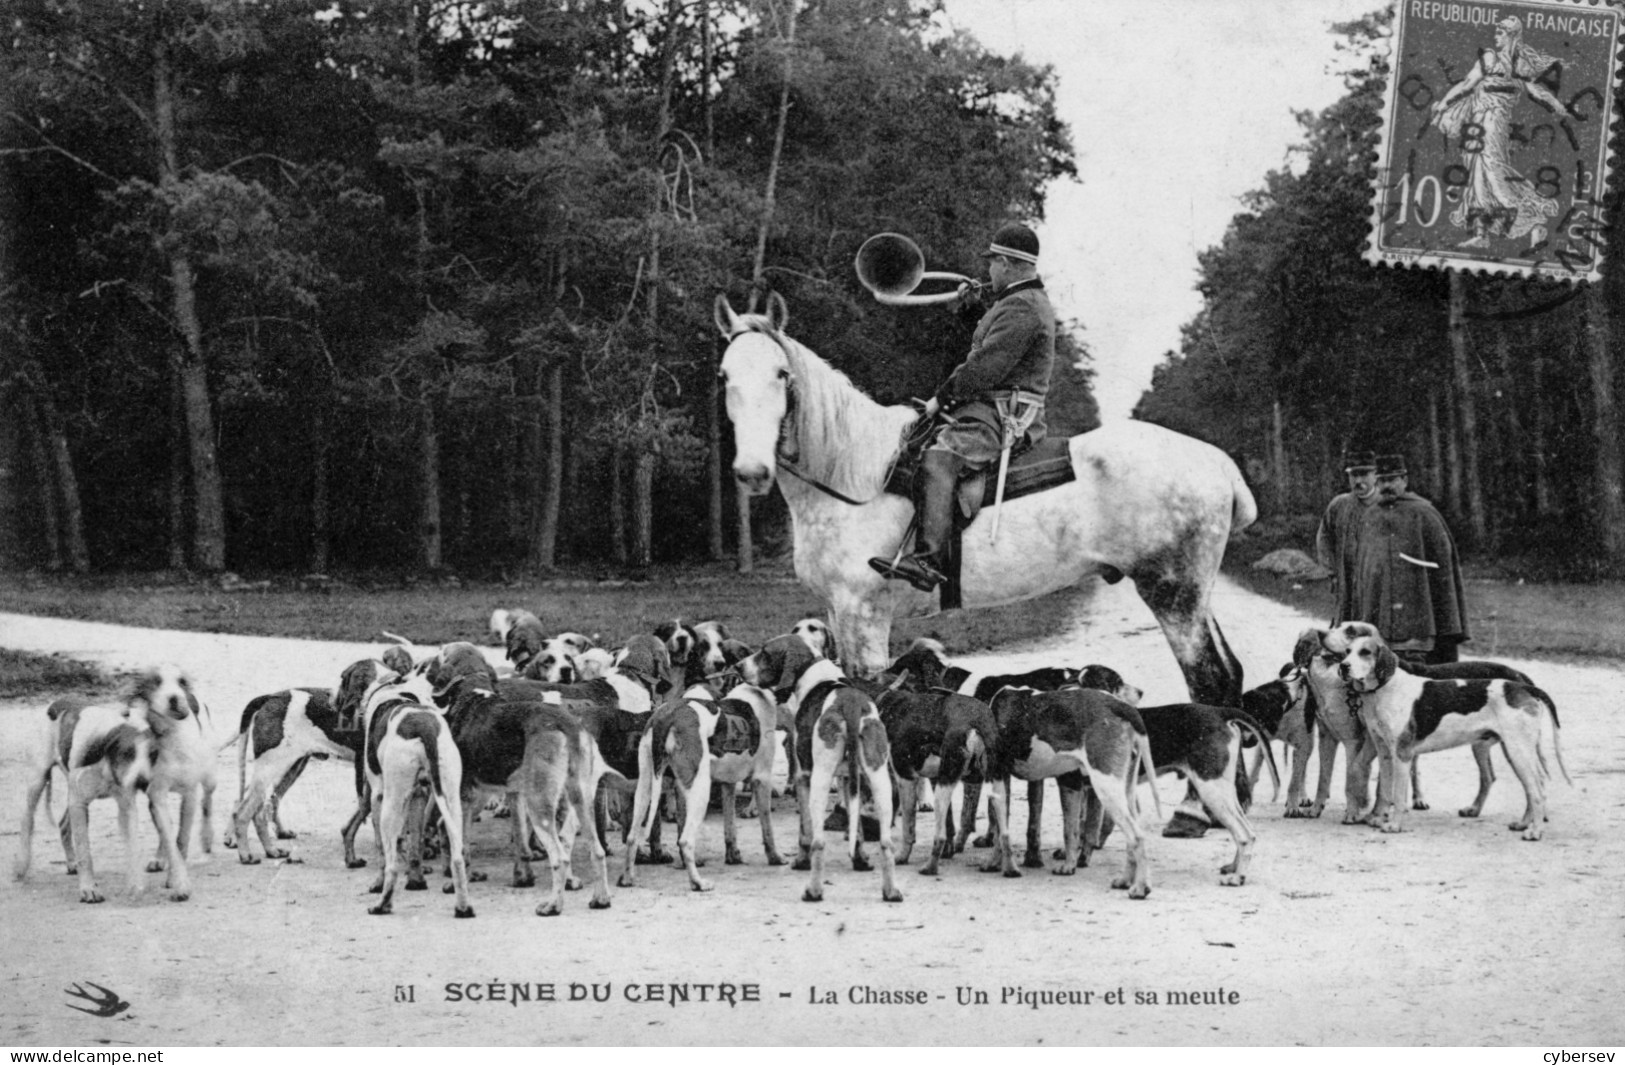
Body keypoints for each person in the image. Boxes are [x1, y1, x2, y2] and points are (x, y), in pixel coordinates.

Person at [868, 222, 1055, 592]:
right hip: (990, 409)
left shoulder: (1022, 306)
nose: (987, 271)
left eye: (991, 264)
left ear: (1004, 263)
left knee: (941, 456)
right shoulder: (1016, 303)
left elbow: (986, 367)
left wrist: (943, 397)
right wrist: (973, 312)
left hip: (1005, 417)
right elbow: (991, 349)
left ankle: (929, 563)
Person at [1428, 15, 1565, 249]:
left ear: (1511, 35)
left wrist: (1558, 106)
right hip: (1477, 123)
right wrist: (1446, 101)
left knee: (1493, 171)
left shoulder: (1519, 62)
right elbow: (1467, 84)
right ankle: (1481, 234)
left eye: (1500, 32)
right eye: (1496, 32)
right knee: (1477, 175)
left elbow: (1536, 92)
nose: (1495, 36)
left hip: (1495, 122)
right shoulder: (1488, 58)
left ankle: (1533, 221)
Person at [1348, 454, 1469, 665]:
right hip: (1380, 617)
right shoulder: (1370, 517)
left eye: (1393, 479)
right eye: (1382, 480)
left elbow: (1443, 570)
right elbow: (1364, 570)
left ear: (1405, 480)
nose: (1387, 485)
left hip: (1419, 619)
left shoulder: (1425, 513)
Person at [1315, 450, 1379, 625]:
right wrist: (1332, 573)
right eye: (1353, 475)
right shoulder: (1339, 504)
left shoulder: (1386, 504)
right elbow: (1324, 538)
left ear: (1376, 475)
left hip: (1377, 581)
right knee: (1345, 626)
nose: (1358, 481)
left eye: (1364, 475)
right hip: (1347, 578)